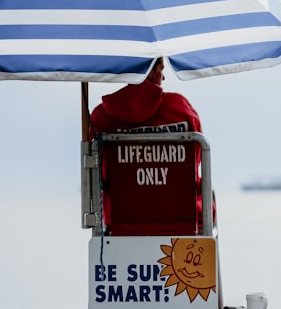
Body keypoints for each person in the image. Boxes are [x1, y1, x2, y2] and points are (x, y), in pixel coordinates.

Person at [89, 57, 208, 234]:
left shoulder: (101, 117)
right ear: (151, 71)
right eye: (161, 70)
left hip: (120, 223)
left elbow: (97, 173)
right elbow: (195, 162)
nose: (163, 78)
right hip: (186, 219)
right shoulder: (181, 109)